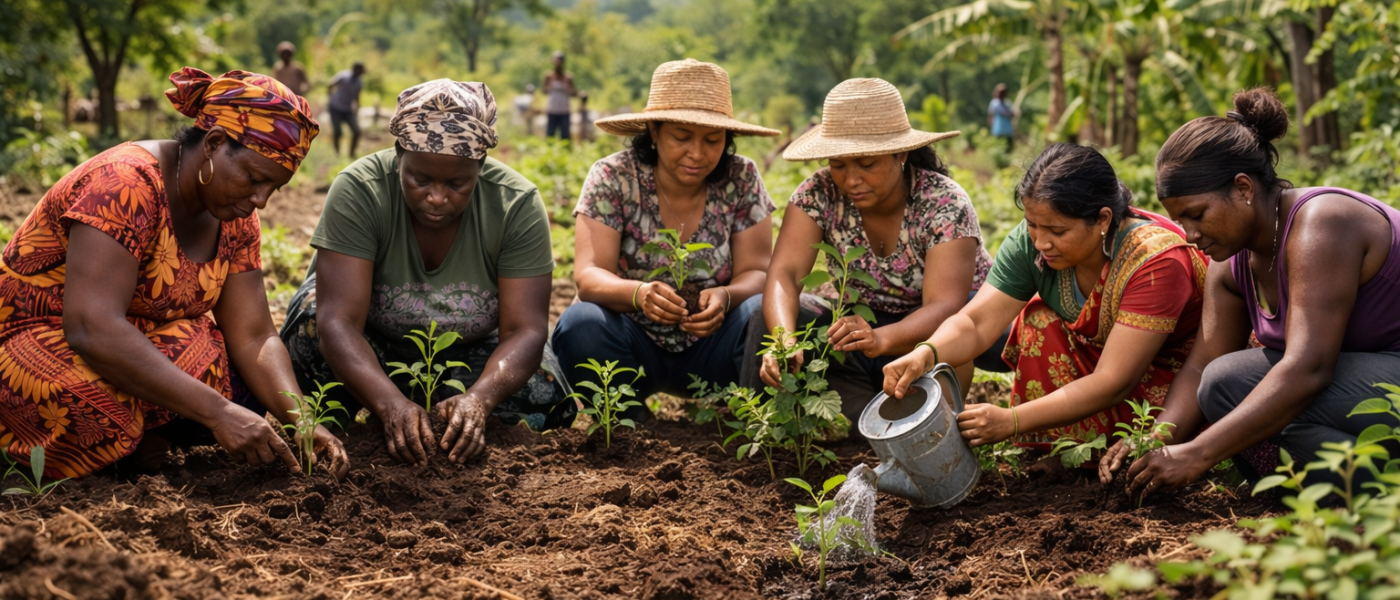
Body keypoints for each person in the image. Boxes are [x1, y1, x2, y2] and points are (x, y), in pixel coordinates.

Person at [0, 68, 347, 479]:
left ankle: (134, 447)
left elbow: (254, 334)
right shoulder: (124, 185)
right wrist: (218, 413)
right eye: (254, 179)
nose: (261, 201)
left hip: (123, 340)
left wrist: (302, 422)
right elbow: (91, 326)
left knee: (230, 373)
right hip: (35, 342)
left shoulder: (235, 217)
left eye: (274, 188)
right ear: (216, 144)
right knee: (98, 409)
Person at [1103, 89, 1400, 498]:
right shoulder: (1232, 264)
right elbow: (1201, 365)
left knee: (1244, 388)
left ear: (1243, 188)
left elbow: (1308, 368)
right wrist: (1154, 441)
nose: (1189, 235)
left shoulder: (1322, 224)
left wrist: (1199, 453)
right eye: (1179, 220)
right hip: (1364, 400)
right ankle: (1358, 493)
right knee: (1222, 385)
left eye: (1197, 214)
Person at [279, 79, 572, 466]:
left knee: (545, 391)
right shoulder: (360, 189)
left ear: (480, 168)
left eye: (457, 183)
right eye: (420, 179)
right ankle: (349, 417)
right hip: (367, 348)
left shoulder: (515, 204)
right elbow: (340, 321)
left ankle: (448, 416)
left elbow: (525, 330)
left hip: (467, 357)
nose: (436, 197)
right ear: (399, 155)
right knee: (310, 329)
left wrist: (479, 400)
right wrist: (389, 406)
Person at [883, 143, 1208, 451]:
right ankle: (1061, 448)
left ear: (1103, 220)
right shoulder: (1033, 243)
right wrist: (926, 353)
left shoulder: (1154, 262)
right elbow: (976, 321)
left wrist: (1012, 421)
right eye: (1033, 225)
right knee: (1042, 322)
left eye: (1057, 231)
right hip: (1105, 369)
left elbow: (1114, 381)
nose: (1041, 242)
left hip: (1174, 380)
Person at [744, 78, 1003, 426]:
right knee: (767, 315)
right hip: (862, 326)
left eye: (866, 164)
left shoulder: (943, 202)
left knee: (948, 355)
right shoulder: (818, 194)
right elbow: (785, 275)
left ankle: (920, 419)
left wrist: (882, 338)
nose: (851, 179)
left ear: (901, 154)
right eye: (838, 164)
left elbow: (945, 306)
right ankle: (858, 419)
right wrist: (784, 339)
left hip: (941, 328)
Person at [552, 59, 780, 418]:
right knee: (580, 325)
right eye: (681, 136)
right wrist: (639, 295)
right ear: (654, 132)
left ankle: (752, 421)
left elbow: (759, 272)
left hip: (715, 347)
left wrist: (724, 296)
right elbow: (589, 275)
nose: (697, 153)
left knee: (762, 314)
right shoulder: (614, 176)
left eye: (712, 139)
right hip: (632, 347)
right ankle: (625, 420)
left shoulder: (742, 178)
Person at [328, 63, 366, 156]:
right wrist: (330, 98)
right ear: (356, 70)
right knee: (338, 132)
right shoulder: (343, 76)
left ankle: (351, 154)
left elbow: (357, 97)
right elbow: (330, 84)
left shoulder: (358, 82)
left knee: (357, 131)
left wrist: (357, 109)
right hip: (336, 108)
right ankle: (337, 153)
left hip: (347, 110)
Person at [542, 51, 576, 141]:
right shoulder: (549, 76)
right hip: (552, 110)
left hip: (564, 111)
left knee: (565, 136)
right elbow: (543, 91)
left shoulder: (568, 77)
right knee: (550, 135)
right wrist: (551, 87)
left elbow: (574, 93)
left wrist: (566, 89)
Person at [989, 84, 1016, 153]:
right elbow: (1005, 113)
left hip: (1008, 130)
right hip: (998, 130)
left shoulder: (1007, 103)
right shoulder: (995, 103)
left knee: (1009, 149)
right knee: (998, 149)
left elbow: (1012, 114)